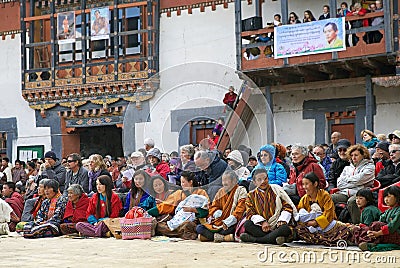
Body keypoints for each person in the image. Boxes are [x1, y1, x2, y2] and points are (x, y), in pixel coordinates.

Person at [240, 168, 296, 244]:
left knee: (284, 229)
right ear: (254, 182)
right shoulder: (251, 195)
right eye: (259, 180)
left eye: (265, 179)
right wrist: (262, 222)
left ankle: (256, 240)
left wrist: (282, 220)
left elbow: (287, 206)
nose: (263, 182)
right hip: (261, 227)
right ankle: (274, 238)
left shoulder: (276, 190)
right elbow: (250, 212)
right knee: (247, 224)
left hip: (277, 225)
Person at [148, 171, 209, 240]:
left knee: (188, 224)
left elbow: (206, 211)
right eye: (181, 182)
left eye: (183, 182)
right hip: (178, 221)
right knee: (159, 225)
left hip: (193, 221)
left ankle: (179, 233)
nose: (181, 184)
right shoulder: (179, 193)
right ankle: (181, 233)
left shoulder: (201, 193)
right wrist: (147, 213)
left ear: (190, 182)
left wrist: (192, 210)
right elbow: (165, 206)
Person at [295, 172, 351, 246]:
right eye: (303, 184)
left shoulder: (325, 195)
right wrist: (307, 223)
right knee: (299, 230)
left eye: (307, 184)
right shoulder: (304, 199)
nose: (304, 187)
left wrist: (316, 222)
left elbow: (329, 213)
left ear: (315, 184)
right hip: (311, 227)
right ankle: (327, 239)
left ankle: (320, 239)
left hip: (327, 225)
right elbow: (300, 215)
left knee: (344, 229)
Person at [196, 170, 247, 242]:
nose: (224, 183)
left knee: (231, 229)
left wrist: (228, 222)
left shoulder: (241, 191)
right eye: (223, 180)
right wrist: (217, 212)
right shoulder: (220, 191)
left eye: (226, 180)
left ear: (234, 181)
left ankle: (212, 237)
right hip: (219, 223)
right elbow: (213, 207)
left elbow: (240, 210)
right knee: (199, 228)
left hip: (231, 224)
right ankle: (224, 238)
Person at [331, 144, 375, 224]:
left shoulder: (370, 167)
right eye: (351, 155)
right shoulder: (347, 168)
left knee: (353, 201)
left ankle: (357, 225)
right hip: (345, 193)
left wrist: (347, 181)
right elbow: (339, 184)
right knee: (329, 198)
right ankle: (333, 223)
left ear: (363, 155)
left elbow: (359, 179)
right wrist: (355, 183)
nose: (353, 158)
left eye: (356, 155)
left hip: (360, 193)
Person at [356, 185, 400, 251]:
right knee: (374, 225)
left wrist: (377, 233)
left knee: (376, 225)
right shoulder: (388, 210)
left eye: (389, 196)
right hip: (386, 233)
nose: (386, 199)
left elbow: (392, 226)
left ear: (397, 197)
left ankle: (371, 243)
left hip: (397, 235)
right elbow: (381, 220)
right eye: (385, 196)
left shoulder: (399, 210)